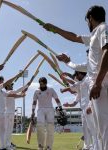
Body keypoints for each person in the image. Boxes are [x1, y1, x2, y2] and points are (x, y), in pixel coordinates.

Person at [43, 6, 108, 149]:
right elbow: (75, 37)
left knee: (104, 130)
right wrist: (55, 29)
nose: (87, 24)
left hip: (101, 86)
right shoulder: (94, 36)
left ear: (90, 18)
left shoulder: (103, 28)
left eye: (87, 21)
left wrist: (97, 83)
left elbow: (107, 51)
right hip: (97, 88)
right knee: (99, 132)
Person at [62, 71, 99, 150]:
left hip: (89, 108)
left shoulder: (87, 80)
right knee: (85, 129)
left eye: (76, 76)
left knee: (93, 129)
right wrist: (69, 105)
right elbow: (75, 100)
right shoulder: (81, 84)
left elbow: (72, 86)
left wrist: (90, 106)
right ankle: (87, 146)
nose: (76, 78)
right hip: (83, 110)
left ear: (80, 74)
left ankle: (97, 147)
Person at [0, 74, 25, 150]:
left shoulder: (2, 92)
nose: (3, 82)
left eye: (2, 81)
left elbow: (12, 95)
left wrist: (21, 95)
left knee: (3, 131)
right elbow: (8, 84)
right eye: (1, 81)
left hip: (2, 113)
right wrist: (17, 75)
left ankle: (3, 147)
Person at [31, 77, 62, 150]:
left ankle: (49, 146)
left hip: (50, 109)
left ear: (45, 83)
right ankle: (40, 145)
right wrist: (32, 111)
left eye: (42, 84)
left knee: (50, 128)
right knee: (40, 127)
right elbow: (34, 101)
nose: (41, 86)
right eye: (40, 84)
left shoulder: (51, 89)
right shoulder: (36, 91)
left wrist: (60, 107)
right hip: (40, 110)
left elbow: (56, 99)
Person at [4, 80, 30, 150]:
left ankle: (8, 144)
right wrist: (27, 85)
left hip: (10, 113)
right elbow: (18, 91)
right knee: (7, 130)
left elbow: (20, 95)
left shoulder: (10, 93)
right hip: (8, 113)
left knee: (9, 130)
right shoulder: (9, 92)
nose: (12, 86)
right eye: (11, 85)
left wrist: (23, 92)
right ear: (7, 86)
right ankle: (6, 145)